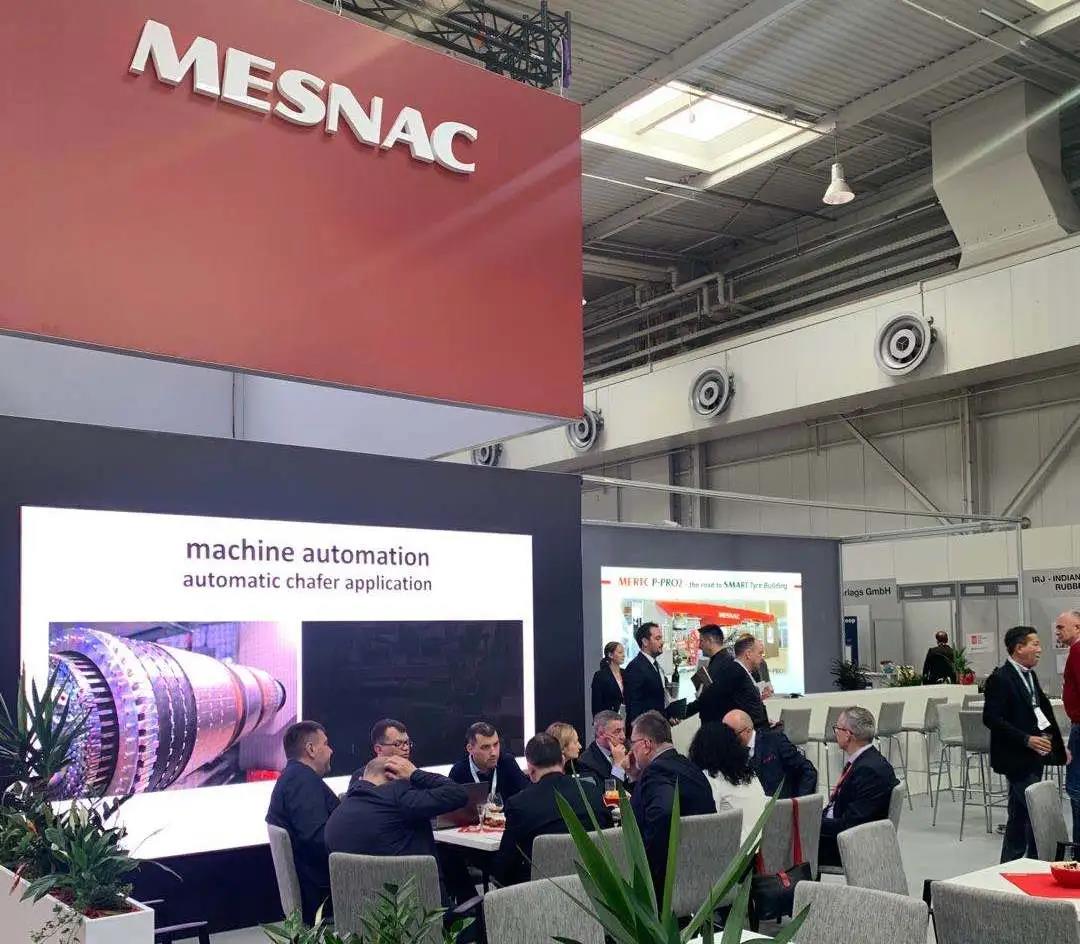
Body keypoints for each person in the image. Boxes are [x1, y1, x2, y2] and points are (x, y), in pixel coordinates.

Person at [325, 754, 468, 905]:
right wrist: (415, 774)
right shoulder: (398, 797)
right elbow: (457, 793)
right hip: (418, 912)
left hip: (361, 915)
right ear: (393, 777)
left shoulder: (336, 816)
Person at [983, 625, 1066, 862]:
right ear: (1019, 648)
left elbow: (1039, 710)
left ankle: (1009, 865)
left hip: (1034, 755)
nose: (1040, 650)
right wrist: (1026, 739)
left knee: (1019, 817)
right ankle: (1041, 863)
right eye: (1035, 644)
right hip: (1015, 757)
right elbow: (991, 718)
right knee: (1038, 813)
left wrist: (1053, 742)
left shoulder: (1030, 675)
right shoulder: (1000, 678)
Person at [494, 733, 612, 886]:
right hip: (594, 887)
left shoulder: (519, 804)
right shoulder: (592, 792)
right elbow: (608, 839)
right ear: (562, 760)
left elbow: (504, 868)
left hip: (538, 891)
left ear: (530, 768)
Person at [628, 710, 716, 895]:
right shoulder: (690, 768)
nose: (631, 751)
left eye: (633, 743)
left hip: (667, 885)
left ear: (646, 744)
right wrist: (636, 777)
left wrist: (645, 871)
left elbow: (663, 813)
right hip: (703, 875)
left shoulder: (656, 772)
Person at [265, 721, 339, 924]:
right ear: (311, 749)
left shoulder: (294, 777)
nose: (331, 751)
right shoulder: (302, 782)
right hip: (325, 898)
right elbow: (317, 839)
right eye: (326, 744)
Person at [818, 706, 898, 868]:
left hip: (851, 846)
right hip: (845, 834)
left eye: (837, 728)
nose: (836, 732)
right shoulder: (867, 761)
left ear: (848, 734)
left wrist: (812, 823)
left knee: (789, 844)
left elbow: (850, 825)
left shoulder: (869, 771)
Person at [688, 721, 766, 843]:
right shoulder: (750, 774)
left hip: (736, 850)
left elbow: (707, 822)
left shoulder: (709, 778)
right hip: (764, 844)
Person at [723, 709, 817, 799]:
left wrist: (798, 803)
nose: (729, 740)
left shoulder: (774, 741)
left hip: (779, 803)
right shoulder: (729, 752)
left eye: (733, 735)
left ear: (748, 730)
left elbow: (808, 771)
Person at [691, 635, 770, 729]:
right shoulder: (736, 674)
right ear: (748, 654)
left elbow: (744, 705)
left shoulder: (739, 672)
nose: (762, 657)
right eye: (760, 653)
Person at [448, 721, 529, 801]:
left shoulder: (507, 762)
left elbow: (527, 793)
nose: (493, 753)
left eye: (496, 744)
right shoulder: (458, 771)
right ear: (470, 749)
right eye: (486, 747)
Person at [1058, 610, 1080, 842]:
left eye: (1061, 627)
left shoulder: (1077, 651)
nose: (1057, 632)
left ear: (1077, 628)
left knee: (1075, 787)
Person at [623, 622, 672, 725]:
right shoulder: (635, 668)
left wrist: (668, 716)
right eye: (658, 638)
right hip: (645, 729)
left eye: (661, 638)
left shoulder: (654, 664)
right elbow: (634, 708)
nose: (662, 642)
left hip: (657, 726)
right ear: (645, 642)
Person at [348, 718, 412, 790]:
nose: (406, 748)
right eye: (398, 744)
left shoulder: (412, 773)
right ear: (378, 749)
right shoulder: (362, 775)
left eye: (407, 743)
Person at [577, 710, 631, 788]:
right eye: (617, 731)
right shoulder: (586, 762)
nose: (623, 736)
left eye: (623, 730)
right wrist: (618, 766)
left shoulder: (628, 749)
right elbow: (605, 793)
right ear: (601, 733)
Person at [690, 625, 730, 693]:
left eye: (701, 641)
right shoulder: (719, 660)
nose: (699, 646)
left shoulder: (724, 664)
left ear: (710, 640)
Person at [591, 642, 626, 717]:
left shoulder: (626, 673)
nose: (624, 655)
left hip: (626, 716)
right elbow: (596, 703)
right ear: (610, 655)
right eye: (620, 652)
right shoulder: (600, 675)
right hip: (608, 717)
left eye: (623, 652)